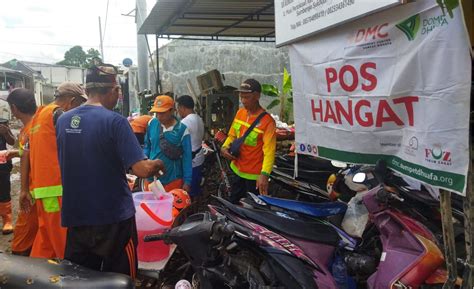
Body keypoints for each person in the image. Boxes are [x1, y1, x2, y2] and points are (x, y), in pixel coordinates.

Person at [56, 64, 165, 279]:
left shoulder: (63, 120)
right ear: (115, 91)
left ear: (87, 90)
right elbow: (142, 169)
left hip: (77, 215)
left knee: (80, 278)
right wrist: (158, 163)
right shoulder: (115, 121)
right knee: (121, 278)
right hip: (113, 218)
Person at [27, 82, 87, 258]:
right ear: (71, 101)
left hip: (41, 188)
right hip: (55, 188)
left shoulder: (39, 116)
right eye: (79, 105)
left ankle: (34, 275)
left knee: (46, 236)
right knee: (62, 237)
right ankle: (69, 277)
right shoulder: (58, 114)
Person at [221, 79, 276, 204]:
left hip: (254, 176)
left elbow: (269, 151)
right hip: (237, 170)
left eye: (247, 97)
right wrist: (224, 147)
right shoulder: (240, 113)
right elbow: (232, 135)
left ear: (257, 96)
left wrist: (264, 175)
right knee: (233, 204)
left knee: (254, 209)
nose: (243, 101)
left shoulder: (268, 122)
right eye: (242, 97)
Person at [5, 88, 39, 255]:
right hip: (37, 190)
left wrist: (24, 189)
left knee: (22, 239)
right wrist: (14, 153)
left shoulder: (33, 130)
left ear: (14, 108)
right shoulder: (33, 128)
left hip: (34, 191)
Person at [144, 95, 192, 192]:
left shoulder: (182, 130)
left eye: (162, 113)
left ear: (172, 110)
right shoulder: (152, 123)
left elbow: (187, 157)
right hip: (152, 180)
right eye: (157, 113)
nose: (158, 116)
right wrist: (145, 165)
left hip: (173, 181)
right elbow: (147, 147)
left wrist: (187, 181)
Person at [176, 95, 204, 198]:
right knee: (195, 190)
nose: (178, 111)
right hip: (199, 158)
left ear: (183, 107)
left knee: (187, 194)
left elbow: (175, 140)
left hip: (190, 162)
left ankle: (191, 212)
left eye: (178, 108)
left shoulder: (185, 122)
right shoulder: (198, 118)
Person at [0, 113, 15, 234]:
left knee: (4, 191)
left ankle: (7, 220)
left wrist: (5, 132)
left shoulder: (2, 123)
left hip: (1, 164)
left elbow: (12, 141)